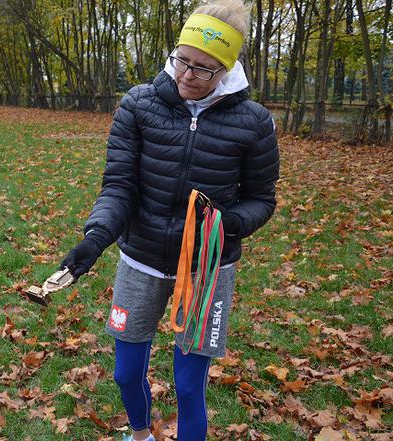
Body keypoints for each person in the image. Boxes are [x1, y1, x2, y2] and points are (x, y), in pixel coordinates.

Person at [59, 1, 280, 440]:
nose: (186, 75)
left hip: (206, 271)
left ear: (228, 68)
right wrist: (96, 236)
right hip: (140, 259)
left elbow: (261, 199)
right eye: (182, 60)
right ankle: (140, 435)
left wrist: (226, 225)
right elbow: (119, 185)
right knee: (125, 373)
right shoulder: (138, 105)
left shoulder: (254, 123)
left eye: (203, 69)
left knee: (188, 385)